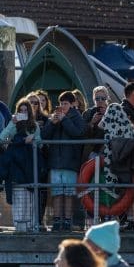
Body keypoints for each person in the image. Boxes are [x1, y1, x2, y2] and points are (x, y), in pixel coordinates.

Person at [41, 91, 85, 231]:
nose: (62, 106)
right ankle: (57, 220)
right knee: (57, 193)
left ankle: (67, 221)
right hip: (55, 162)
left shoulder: (77, 117)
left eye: (65, 103)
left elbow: (78, 133)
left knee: (69, 194)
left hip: (70, 162)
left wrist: (64, 120)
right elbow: (43, 135)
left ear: (72, 104)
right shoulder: (54, 117)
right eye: (61, 103)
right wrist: (52, 123)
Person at [0, 97, 46, 232]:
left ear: (29, 112)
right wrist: (12, 123)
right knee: (18, 197)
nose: (23, 112)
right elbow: (2, 138)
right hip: (16, 167)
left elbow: (40, 143)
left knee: (30, 197)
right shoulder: (14, 124)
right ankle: (19, 227)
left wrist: (33, 139)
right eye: (21, 110)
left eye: (26, 110)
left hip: (30, 166)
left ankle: (30, 226)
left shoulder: (34, 126)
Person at [99, 102, 134, 229]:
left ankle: (126, 219)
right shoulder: (129, 128)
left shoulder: (110, 125)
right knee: (130, 192)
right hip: (129, 165)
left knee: (121, 192)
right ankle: (133, 219)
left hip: (115, 164)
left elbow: (100, 125)